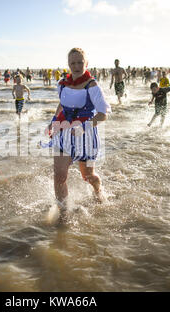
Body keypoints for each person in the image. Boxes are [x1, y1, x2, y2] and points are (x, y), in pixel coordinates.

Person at [46, 48, 111, 222]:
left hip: (86, 135)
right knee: (59, 176)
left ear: (86, 63)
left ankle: (98, 190)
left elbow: (103, 114)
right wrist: (53, 121)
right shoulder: (63, 84)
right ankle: (64, 214)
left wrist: (82, 127)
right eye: (73, 63)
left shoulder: (92, 85)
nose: (76, 66)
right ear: (68, 65)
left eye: (80, 62)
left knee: (88, 176)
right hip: (64, 132)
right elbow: (62, 104)